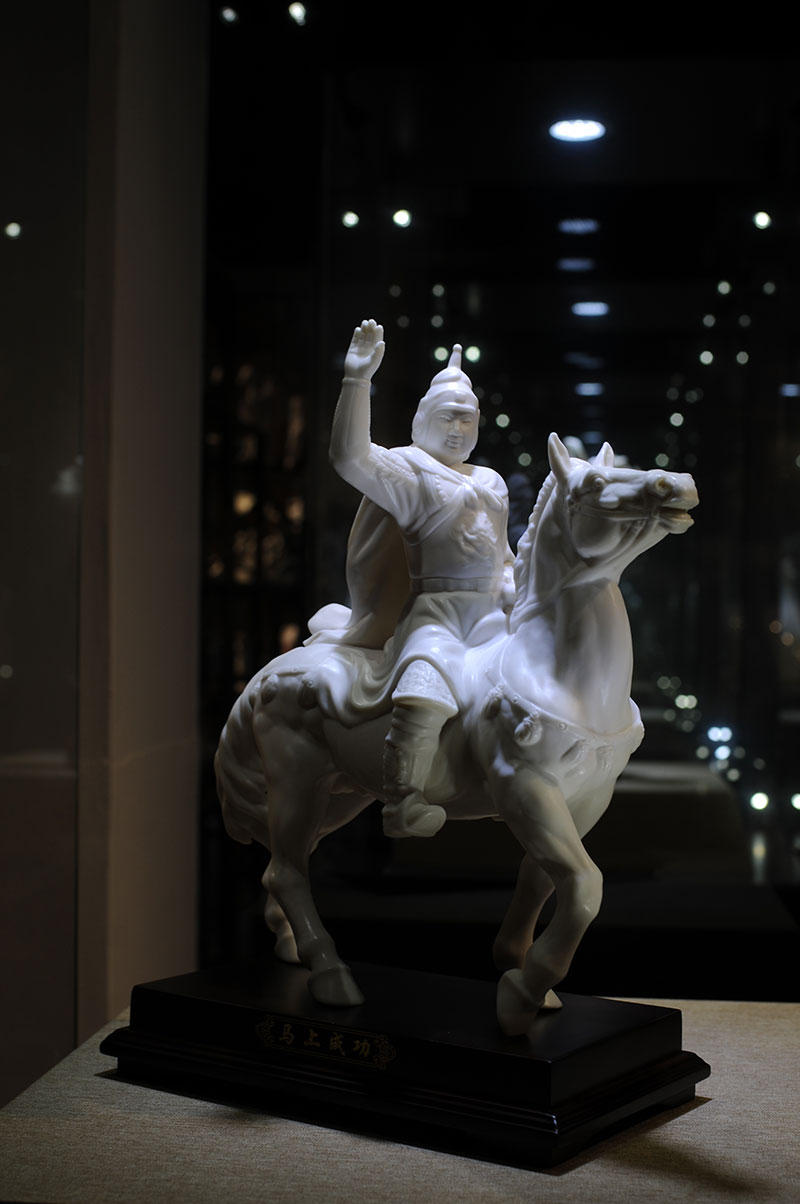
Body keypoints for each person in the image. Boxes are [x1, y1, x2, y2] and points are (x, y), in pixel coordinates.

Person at [329, 319, 515, 838]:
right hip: (436, 616)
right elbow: (349, 457)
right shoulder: (410, 471)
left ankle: (518, 781)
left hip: (491, 617)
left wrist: (513, 582)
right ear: (423, 420)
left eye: (467, 419)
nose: (457, 429)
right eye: (447, 417)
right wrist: (357, 380)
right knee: (423, 692)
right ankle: (403, 800)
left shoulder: (492, 482)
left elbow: (501, 552)